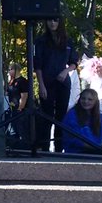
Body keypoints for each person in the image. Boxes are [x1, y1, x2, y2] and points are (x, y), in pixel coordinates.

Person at [33, 18, 79, 151]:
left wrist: (66, 71)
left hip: (63, 81)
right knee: (46, 116)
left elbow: (74, 62)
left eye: (55, 21)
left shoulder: (68, 41)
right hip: (46, 81)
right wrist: (41, 85)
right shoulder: (41, 41)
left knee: (61, 116)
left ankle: (59, 147)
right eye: (49, 21)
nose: (52, 23)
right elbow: (38, 66)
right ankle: (45, 147)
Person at [59, 88, 102, 154]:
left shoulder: (100, 117)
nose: (86, 101)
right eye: (83, 98)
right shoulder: (72, 115)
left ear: (95, 102)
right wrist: (93, 146)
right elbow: (71, 138)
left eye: (90, 99)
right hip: (77, 153)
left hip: (98, 152)